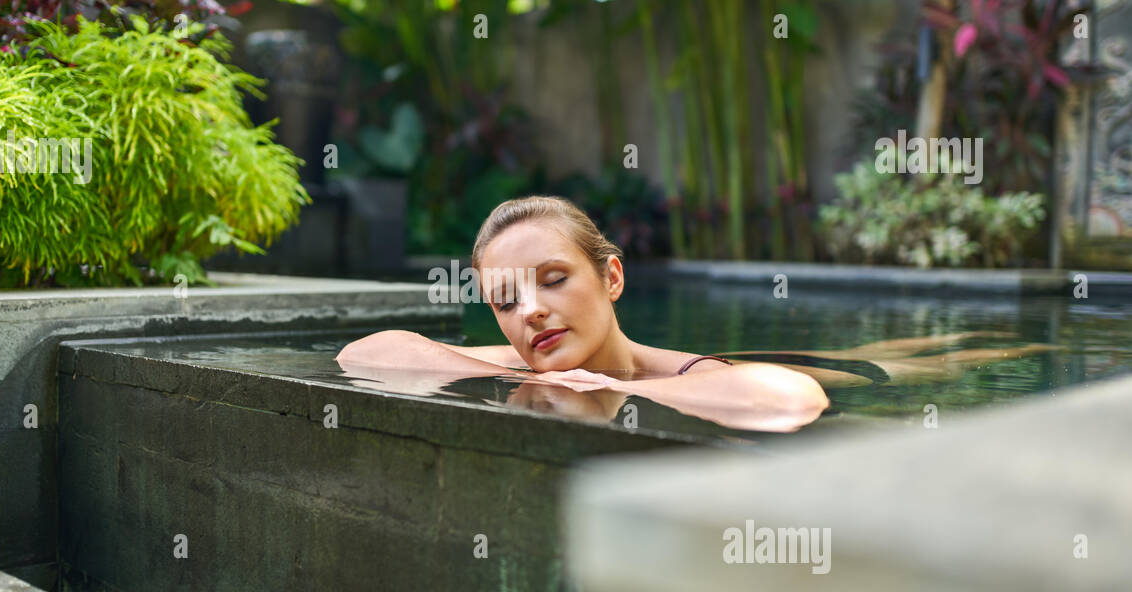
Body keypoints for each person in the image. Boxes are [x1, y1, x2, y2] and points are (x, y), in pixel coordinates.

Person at [336, 195, 832, 432]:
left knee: (896, 362)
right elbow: (363, 352)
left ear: (612, 278)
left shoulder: (689, 372)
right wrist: (518, 376)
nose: (530, 312)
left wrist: (610, 386)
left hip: (824, 370)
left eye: (553, 280)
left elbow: (791, 397)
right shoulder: (515, 359)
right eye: (506, 302)